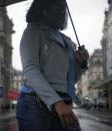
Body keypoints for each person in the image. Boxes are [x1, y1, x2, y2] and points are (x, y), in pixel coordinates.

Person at [16, 0, 89, 131]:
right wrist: (56, 102)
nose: (62, 12)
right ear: (44, 8)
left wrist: (81, 64)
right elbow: (30, 70)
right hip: (35, 103)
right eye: (57, 7)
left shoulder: (68, 42)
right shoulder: (33, 30)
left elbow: (69, 81)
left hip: (62, 102)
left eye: (63, 8)